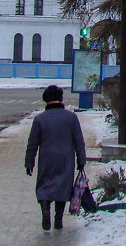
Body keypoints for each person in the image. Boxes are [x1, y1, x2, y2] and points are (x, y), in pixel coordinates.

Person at [25, 85, 86, 230]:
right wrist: (81, 160)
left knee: (45, 185)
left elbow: (32, 143)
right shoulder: (71, 118)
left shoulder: (40, 119)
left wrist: (29, 162)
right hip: (66, 159)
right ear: (61, 99)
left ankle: (45, 209)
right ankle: (58, 219)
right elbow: (79, 141)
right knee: (62, 187)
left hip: (47, 158)